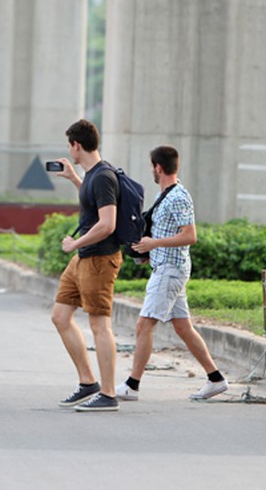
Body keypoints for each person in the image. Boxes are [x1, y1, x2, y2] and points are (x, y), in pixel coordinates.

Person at [116, 146, 229, 401]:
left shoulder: (178, 196)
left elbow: (190, 236)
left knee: (143, 324)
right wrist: (149, 252)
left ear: (158, 167)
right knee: (183, 327)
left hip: (170, 270)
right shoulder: (167, 195)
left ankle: (132, 386)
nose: (152, 171)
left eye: (152, 167)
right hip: (167, 266)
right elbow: (169, 232)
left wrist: (152, 244)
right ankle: (216, 379)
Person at [51, 119, 123, 412]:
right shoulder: (92, 175)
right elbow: (92, 204)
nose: (70, 151)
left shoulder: (104, 176)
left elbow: (107, 224)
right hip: (82, 258)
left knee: (99, 324)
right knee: (60, 316)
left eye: (70, 146)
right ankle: (88, 382)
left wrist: (75, 244)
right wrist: (73, 178)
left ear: (76, 145)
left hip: (99, 258)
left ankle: (108, 394)